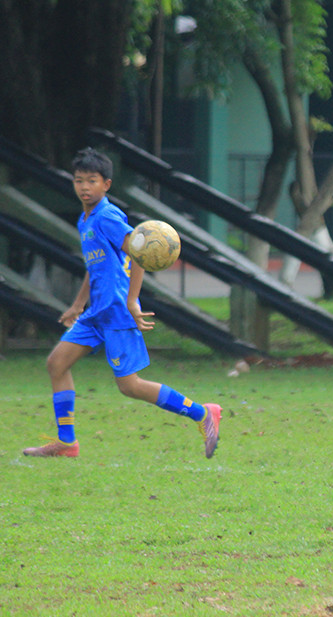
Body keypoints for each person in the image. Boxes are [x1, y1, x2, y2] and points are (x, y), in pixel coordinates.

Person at [22, 148, 222, 459]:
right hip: (96, 311)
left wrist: (132, 301)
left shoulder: (108, 216)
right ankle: (66, 442)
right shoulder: (85, 219)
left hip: (116, 308)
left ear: (107, 184)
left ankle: (203, 413)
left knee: (129, 386)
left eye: (92, 181)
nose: (84, 187)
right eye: (78, 180)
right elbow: (95, 266)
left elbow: (139, 252)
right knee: (56, 364)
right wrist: (77, 305)